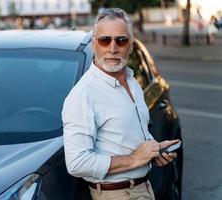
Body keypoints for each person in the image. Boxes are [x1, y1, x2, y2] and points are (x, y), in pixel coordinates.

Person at [62, 8, 178, 200]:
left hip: (142, 188)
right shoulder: (83, 95)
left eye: (121, 40)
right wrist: (133, 160)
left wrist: (153, 150)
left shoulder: (132, 81)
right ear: (94, 44)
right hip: (116, 194)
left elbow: (126, 135)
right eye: (105, 40)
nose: (113, 48)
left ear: (131, 46)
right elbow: (76, 163)